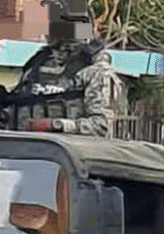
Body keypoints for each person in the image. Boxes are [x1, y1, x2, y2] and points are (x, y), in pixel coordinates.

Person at [13, 3, 125, 137]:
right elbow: (19, 111)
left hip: (74, 153)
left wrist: (56, 125)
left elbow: (100, 126)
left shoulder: (95, 72)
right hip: (30, 151)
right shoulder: (36, 67)